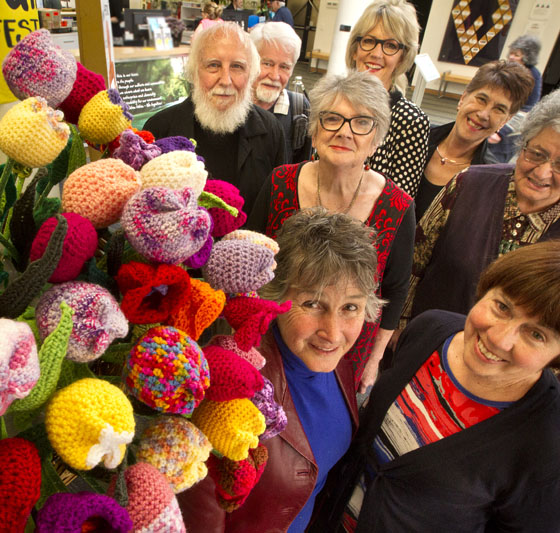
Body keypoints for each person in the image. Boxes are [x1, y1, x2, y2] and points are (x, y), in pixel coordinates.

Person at [318, 240, 560, 532]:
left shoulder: (552, 457)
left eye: (536, 335)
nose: (499, 338)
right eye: (502, 307)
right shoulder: (430, 330)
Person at [179, 207, 384, 532]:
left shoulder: (339, 365)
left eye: (350, 307)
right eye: (313, 304)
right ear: (275, 294)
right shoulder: (227, 391)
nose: (333, 332)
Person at [247, 72, 415, 394]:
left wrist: (375, 359)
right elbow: (253, 263)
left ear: (376, 138)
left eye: (361, 122)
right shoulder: (280, 182)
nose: (344, 132)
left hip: (347, 347)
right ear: (314, 129)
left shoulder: (396, 206)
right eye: (332, 118)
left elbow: (395, 290)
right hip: (275, 338)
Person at [401, 84, 560, 335]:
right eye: (536, 153)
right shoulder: (466, 183)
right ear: (523, 144)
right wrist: (400, 325)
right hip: (430, 338)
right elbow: (415, 261)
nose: (542, 172)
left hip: (511, 363)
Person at [144, 22, 287, 212]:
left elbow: (277, 208)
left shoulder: (271, 131)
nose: (226, 80)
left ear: (251, 74)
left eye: (237, 67)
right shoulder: (160, 129)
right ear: (194, 72)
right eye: (213, 65)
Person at [413, 60, 534, 220]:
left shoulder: (490, 179)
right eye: (481, 99)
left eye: (499, 109)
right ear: (463, 98)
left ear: (505, 121)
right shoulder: (416, 137)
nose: (484, 114)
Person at [345, 0, 429, 199]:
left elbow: (398, 204)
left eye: (390, 45)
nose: (376, 53)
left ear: (402, 56)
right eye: (369, 40)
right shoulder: (334, 103)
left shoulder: (410, 120)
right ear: (356, 48)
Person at [249, 22, 312, 164]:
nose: (275, 75)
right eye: (267, 64)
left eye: (284, 67)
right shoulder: (231, 104)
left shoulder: (299, 109)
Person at [488, 35, 544, 163]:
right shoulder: (509, 70)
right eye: (512, 53)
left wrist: (502, 132)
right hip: (498, 120)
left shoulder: (533, 75)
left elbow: (528, 109)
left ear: (527, 57)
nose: (512, 57)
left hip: (511, 129)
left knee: (494, 161)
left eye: (517, 55)